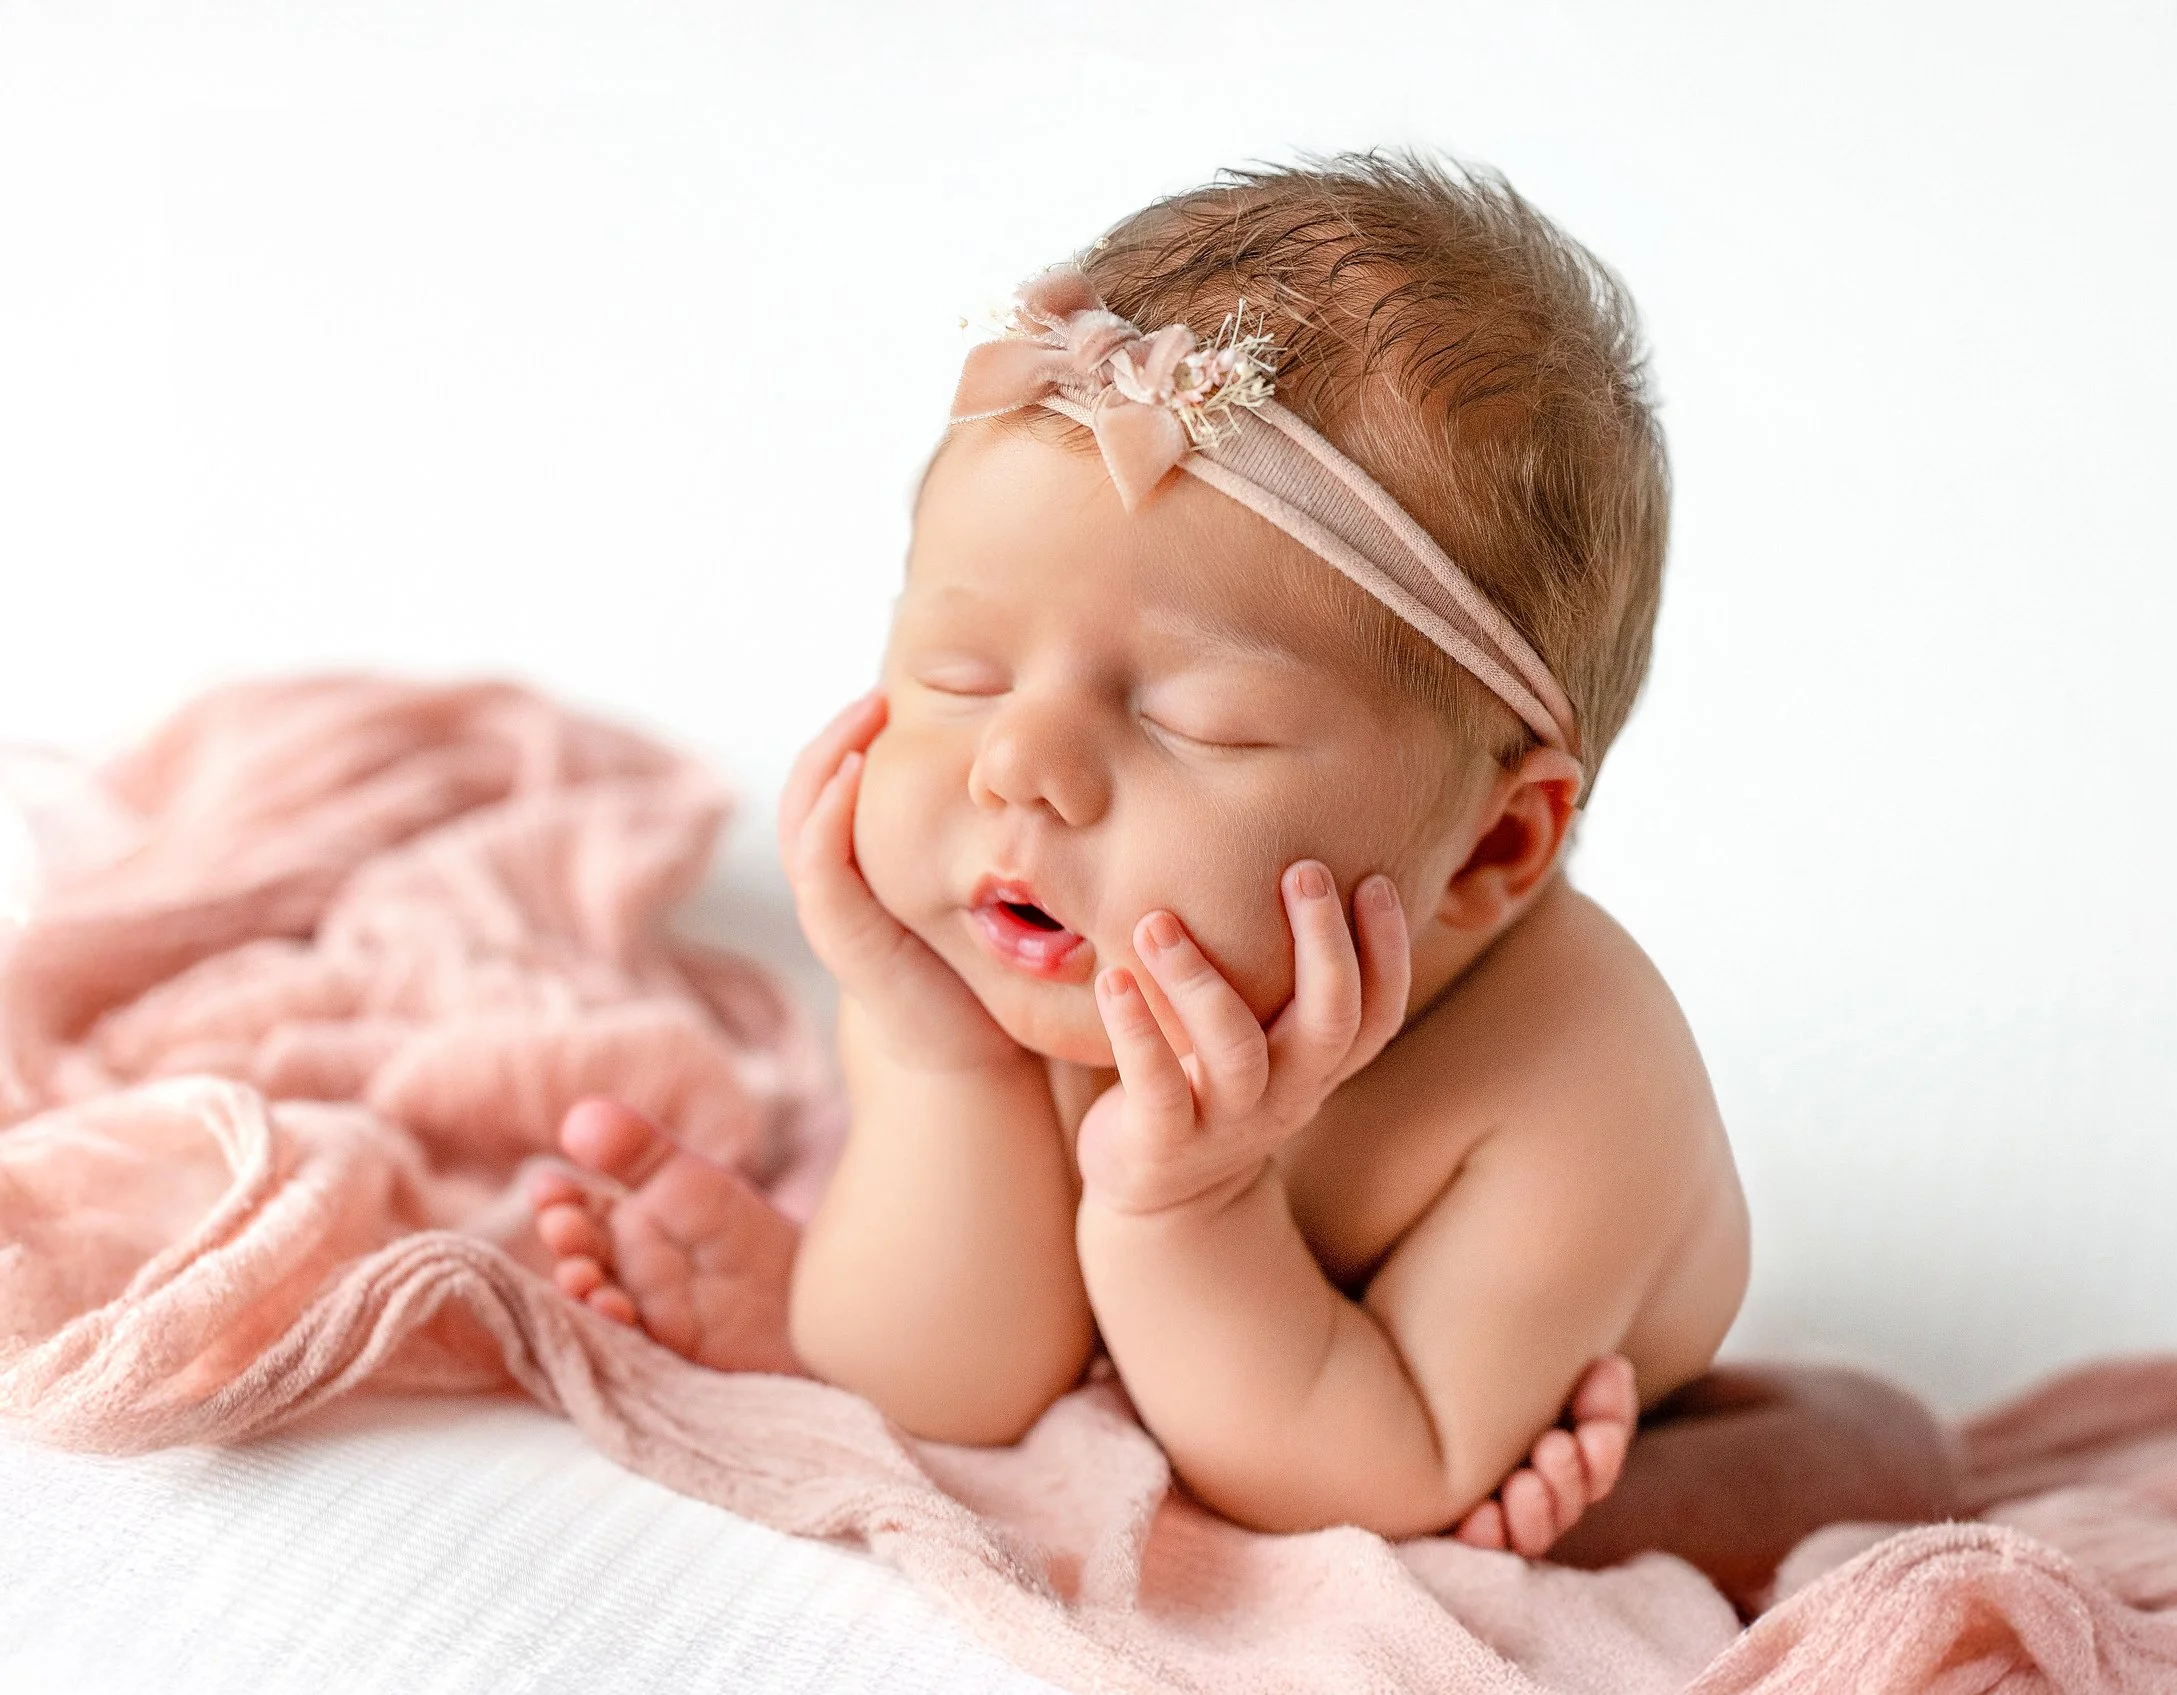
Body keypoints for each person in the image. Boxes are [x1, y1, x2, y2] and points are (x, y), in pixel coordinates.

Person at [526, 150, 1957, 1604]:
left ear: (1492, 847)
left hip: (1456, 1401)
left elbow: (1346, 1486)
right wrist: (946, 1060)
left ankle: (1633, 1497)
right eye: (960, 674)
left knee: (1865, 1454)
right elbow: (950, 1388)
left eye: (1192, 721)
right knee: (923, 1298)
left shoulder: (1574, 1092)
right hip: (1215, 1342)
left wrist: (1184, 1209)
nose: (1018, 765)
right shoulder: (1029, 933)